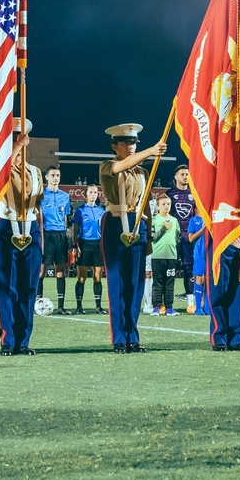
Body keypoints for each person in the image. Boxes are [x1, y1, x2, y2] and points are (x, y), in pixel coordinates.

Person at [100, 123, 164, 352]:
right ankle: (119, 338)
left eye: (134, 142)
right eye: (126, 142)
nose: (131, 146)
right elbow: (123, 166)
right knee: (118, 283)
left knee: (135, 285)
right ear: (114, 146)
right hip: (116, 223)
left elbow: (145, 203)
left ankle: (132, 337)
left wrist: (147, 238)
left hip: (139, 225)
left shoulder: (142, 173)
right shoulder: (108, 166)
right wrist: (151, 150)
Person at [0, 120, 43, 354]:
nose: (18, 142)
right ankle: (8, 340)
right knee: (6, 286)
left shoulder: (35, 171)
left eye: (20, 138)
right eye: (12, 138)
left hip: (31, 227)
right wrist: (15, 147)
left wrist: (42, 238)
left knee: (28, 287)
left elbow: (38, 208)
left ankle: (24, 340)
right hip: (6, 226)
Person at [204, 218, 240, 351]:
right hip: (220, 227)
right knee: (218, 288)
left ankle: (234, 338)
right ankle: (219, 336)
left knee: (239, 290)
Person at [38, 167, 73, 314]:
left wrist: (67, 236)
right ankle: (37, 303)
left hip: (60, 235)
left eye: (58, 175)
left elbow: (65, 217)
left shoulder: (65, 196)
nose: (55, 178)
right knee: (41, 270)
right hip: (46, 233)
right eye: (52, 175)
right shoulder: (41, 195)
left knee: (60, 270)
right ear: (47, 178)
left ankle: (61, 306)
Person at [73, 184, 105, 314]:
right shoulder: (80, 211)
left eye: (95, 192)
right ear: (85, 195)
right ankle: (79, 306)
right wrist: (76, 245)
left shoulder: (101, 211)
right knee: (82, 277)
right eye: (91, 192)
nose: (94, 194)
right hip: (84, 244)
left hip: (98, 244)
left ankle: (98, 306)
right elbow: (75, 229)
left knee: (97, 277)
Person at [170, 164, 196, 301]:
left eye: (187, 174)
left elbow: (197, 215)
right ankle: (166, 300)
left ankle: (190, 297)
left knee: (189, 267)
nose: (185, 176)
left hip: (189, 237)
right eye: (182, 174)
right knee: (170, 267)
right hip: (173, 237)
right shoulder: (169, 195)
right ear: (175, 176)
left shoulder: (194, 194)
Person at [150, 194, 180, 314]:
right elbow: (153, 238)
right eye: (163, 204)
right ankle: (156, 307)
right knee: (157, 282)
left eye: (168, 204)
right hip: (157, 256)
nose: (166, 206)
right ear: (158, 206)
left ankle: (169, 307)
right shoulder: (155, 220)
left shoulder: (174, 220)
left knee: (170, 283)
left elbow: (178, 238)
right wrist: (164, 229)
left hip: (171, 256)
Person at [188, 210, 207, 313]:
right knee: (199, 278)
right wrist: (203, 229)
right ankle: (198, 308)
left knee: (209, 280)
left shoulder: (212, 219)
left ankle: (208, 307)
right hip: (200, 252)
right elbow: (190, 238)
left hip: (211, 253)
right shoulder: (194, 220)